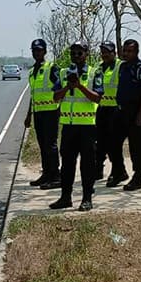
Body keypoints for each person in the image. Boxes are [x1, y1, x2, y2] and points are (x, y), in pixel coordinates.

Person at [50, 42, 104, 211]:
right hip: (68, 126)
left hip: (87, 126)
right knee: (67, 164)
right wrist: (68, 86)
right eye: (73, 53)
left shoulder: (95, 72)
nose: (76, 56)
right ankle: (65, 197)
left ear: (86, 54)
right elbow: (55, 98)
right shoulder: (64, 73)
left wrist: (80, 85)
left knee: (87, 165)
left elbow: (97, 98)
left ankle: (87, 199)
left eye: (79, 53)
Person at [23, 38, 63, 190]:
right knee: (42, 145)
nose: (37, 53)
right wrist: (29, 115)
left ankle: (55, 175)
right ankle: (46, 174)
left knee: (51, 145)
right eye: (34, 50)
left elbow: (60, 89)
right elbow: (33, 95)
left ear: (45, 51)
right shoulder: (32, 72)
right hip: (38, 112)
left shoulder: (52, 68)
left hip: (51, 112)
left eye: (39, 50)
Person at [116, 39, 141, 191]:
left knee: (137, 146)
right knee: (113, 141)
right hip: (121, 111)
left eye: (130, 51)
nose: (126, 53)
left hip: (135, 111)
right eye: (125, 50)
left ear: (137, 52)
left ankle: (138, 176)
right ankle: (119, 171)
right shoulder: (123, 67)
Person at [96, 42, 124, 186]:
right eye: (103, 52)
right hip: (102, 108)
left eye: (107, 51)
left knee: (114, 144)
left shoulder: (120, 66)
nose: (105, 54)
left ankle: (117, 172)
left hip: (115, 110)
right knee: (100, 142)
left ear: (114, 53)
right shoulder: (100, 67)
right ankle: (99, 169)